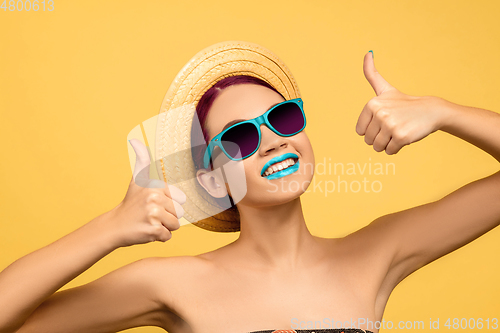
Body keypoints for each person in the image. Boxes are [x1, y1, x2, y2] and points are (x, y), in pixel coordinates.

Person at [0, 41, 499, 333]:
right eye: (239, 136)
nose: (271, 142)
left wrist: (443, 111)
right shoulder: (169, 283)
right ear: (212, 178)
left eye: (283, 118)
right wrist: (109, 228)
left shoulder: (377, 252)